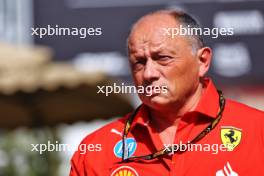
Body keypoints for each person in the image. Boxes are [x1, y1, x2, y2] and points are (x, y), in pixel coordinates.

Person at [69, 9, 264, 176]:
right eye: (139, 62)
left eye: (163, 58)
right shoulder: (96, 151)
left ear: (202, 61)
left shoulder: (257, 132)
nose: (149, 73)